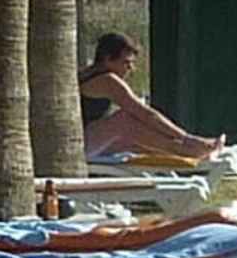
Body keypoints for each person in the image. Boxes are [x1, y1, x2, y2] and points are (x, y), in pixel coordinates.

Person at [78, 34, 227, 163]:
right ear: (107, 59)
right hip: (80, 146)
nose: (131, 69)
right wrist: (186, 137)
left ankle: (189, 151)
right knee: (124, 120)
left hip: (87, 140)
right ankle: (190, 149)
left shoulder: (88, 73)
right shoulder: (108, 81)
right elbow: (145, 114)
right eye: (126, 62)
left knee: (135, 140)